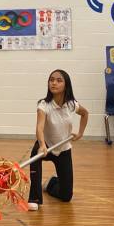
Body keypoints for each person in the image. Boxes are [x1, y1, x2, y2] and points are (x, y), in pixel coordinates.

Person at [26, 70, 88, 211]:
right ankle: (34, 198)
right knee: (35, 156)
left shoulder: (72, 104)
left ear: (66, 85)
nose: (54, 83)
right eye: (51, 80)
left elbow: (85, 114)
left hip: (63, 148)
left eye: (59, 80)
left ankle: (50, 184)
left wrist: (80, 133)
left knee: (66, 196)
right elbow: (39, 128)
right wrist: (41, 144)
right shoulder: (43, 105)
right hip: (45, 145)